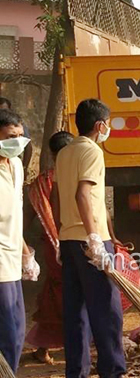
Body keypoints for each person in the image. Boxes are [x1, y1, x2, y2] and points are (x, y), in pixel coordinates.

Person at [54, 99, 126, 378]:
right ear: (100, 125)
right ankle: (112, 371)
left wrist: (61, 233)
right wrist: (95, 238)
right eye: (108, 123)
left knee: (75, 312)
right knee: (107, 311)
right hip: (90, 240)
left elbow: (58, 197)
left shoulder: (64, 152)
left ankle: (77, 372)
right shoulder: (92, 152)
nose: (108, 128)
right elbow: (82, 194)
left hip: (69, 240)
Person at [24, 131, 74, 364]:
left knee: (55, 295)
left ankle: (45, 346)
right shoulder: (76, 175)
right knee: (75, 295)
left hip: (54, 250)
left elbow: (26, 216)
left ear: (52, 154)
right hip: (76, 245)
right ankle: (81, 344)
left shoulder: (42, 183)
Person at [0, 108, 40, 373]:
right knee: (7, 327)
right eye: (10, 136)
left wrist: (27, 254)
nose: (16, 141)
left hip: (13, 258)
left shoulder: (15, 165)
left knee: (16, 328)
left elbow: (15, 213)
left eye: (20, 135)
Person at [0, 97, 33, 179]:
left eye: (21, 135)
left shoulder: (17, 165)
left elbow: (28, 147)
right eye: (12, 136)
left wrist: (24, 168)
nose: (18, 141)